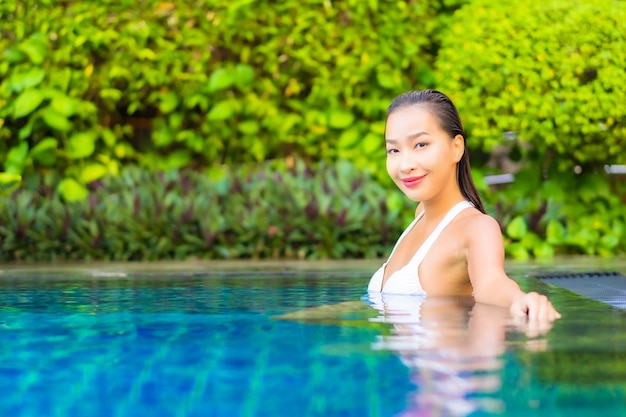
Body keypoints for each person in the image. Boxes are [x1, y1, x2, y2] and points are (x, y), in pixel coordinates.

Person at [368, 89, 561, 321]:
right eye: (394, 150)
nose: (405, 164)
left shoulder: (477, 227)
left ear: (456, 147)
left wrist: (520, 300)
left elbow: (491, 284)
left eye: (420, 145)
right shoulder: (421, 214)